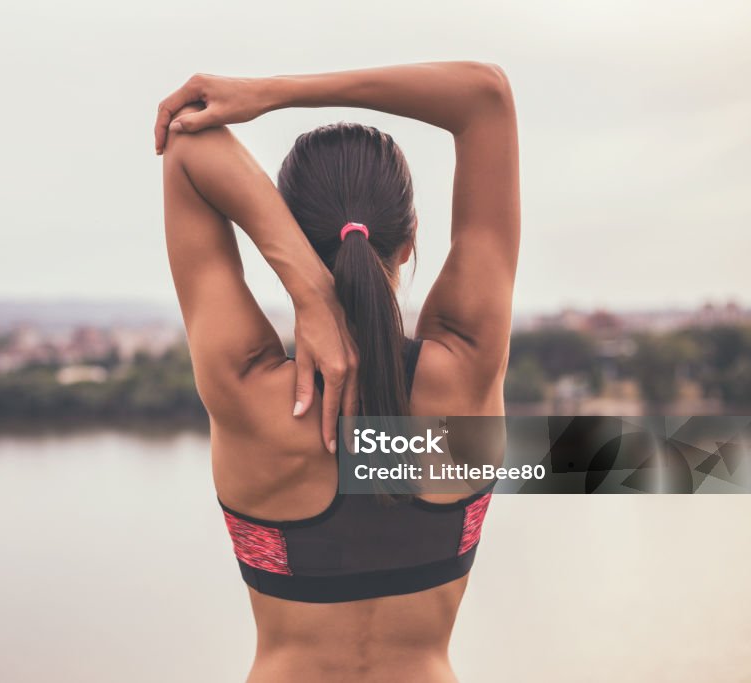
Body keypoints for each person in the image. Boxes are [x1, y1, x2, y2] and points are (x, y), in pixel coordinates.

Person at [155, 62, 519, 683]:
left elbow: (189, 142)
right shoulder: (465, 367)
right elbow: (485, 97)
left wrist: (305, 284)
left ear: (292, 236)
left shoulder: (250, 391)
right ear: (409, 242)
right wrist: (272, 91)